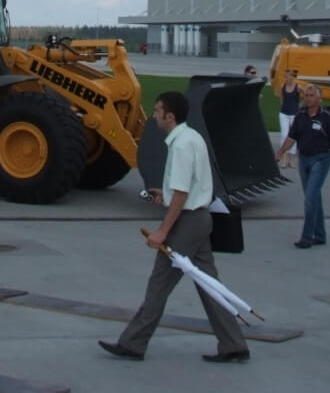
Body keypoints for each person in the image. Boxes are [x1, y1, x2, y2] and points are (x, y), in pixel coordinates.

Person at [99, 91, 251, 365]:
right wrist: (165, 193)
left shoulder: (180, 145)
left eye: (158, 111)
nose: (154, 115)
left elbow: (182, 194)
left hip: (188, 222)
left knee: (159, 284)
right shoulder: (192, 138)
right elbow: (186, 187)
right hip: (201, 218)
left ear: (170, 116)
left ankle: (133, 343)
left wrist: (162, 232)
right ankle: (233, 343)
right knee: (209, 284)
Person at [274, 83, 330, 248]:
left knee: (310, 199)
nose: (308, 98)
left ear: (319, 99)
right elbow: (292, 137)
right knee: (313, 198)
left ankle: (307, 237)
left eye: (312, 95)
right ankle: (320, 235)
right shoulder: (301, 115)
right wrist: (280, 152)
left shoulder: (327, 117)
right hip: (304, 159)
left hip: (321, 159)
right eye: (307, 95)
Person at [277, 70, 301, 170]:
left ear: (292, 77)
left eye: (288, 77)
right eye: (285, 77)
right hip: (284, 114)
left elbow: (305, 94)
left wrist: (300, 106)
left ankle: (292, 158)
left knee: (294, 135)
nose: (286, 79)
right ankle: (284, 158)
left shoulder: (298, 87)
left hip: (294, 114)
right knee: (284, 134)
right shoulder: (283, 86)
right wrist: (282, 105)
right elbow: (281, 97)